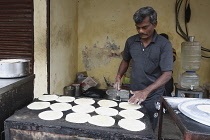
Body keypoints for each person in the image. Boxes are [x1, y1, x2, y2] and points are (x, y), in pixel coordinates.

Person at [114, 7, 173, 130]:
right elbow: (125, 60)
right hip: (134, 93)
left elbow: (167, 74)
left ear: (154, 24)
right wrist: (119, 76)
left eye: (144, 27)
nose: (140, 31)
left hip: (153, 96)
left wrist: (146, 92)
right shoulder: (131, 41)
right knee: (131, 125)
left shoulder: (164, 44)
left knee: (148, 128)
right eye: (138, 27)